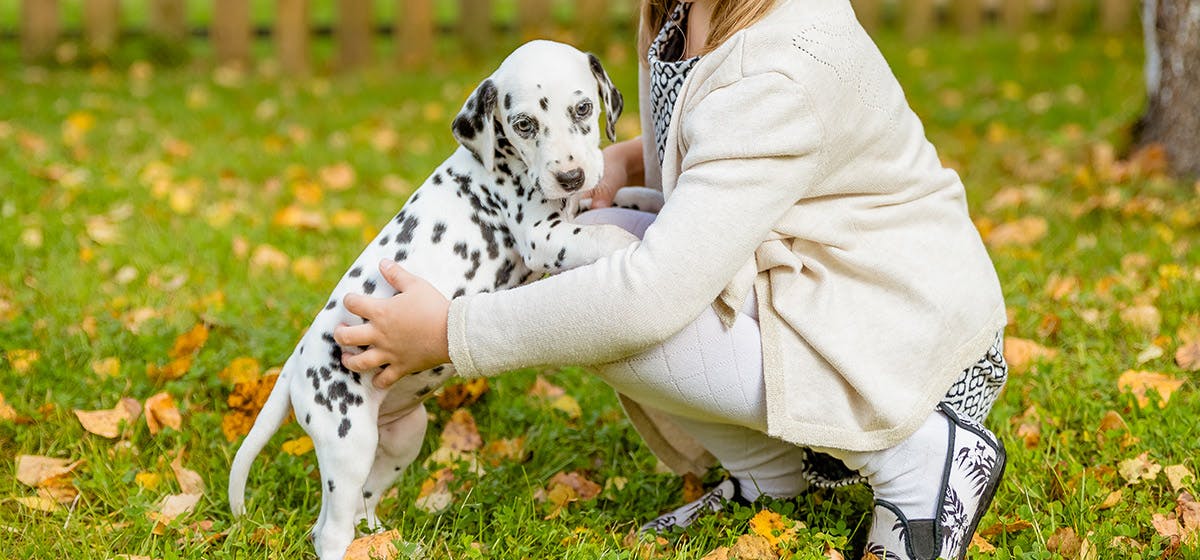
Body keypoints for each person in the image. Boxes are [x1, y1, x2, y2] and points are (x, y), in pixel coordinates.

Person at [333, 1, 1009, 558]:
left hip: (903, 335)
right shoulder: (682, 10)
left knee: (608, 292)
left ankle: (922, 458)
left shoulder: (785, 57)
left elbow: (647, 299)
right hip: (810, 276)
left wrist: (452, 333)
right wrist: (628, 160)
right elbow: (718, 139)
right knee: (587, 251)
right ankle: (773, 477)